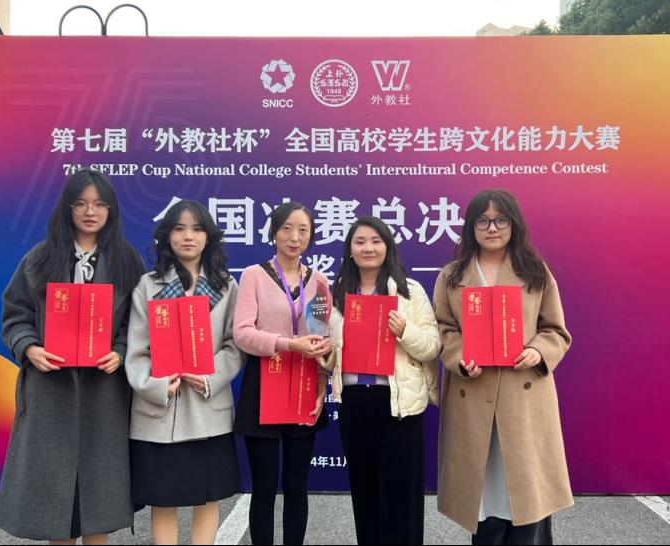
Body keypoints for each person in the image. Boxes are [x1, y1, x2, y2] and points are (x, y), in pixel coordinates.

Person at [0, 169, 145, 544]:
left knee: (99, 499)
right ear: (67, 208)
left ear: (111, 210)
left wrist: (121, 352)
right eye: (80, 203)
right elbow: (15, 314)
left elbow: (138, 321)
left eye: (99, 204)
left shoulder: (126, 260)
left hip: (104, 394)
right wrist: (29, 347)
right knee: (55, 503)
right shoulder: (41, 257)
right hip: (51, 392)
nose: (90, 212)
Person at [433, 189, 573, 545]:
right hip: (473, 392)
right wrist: (460, 357)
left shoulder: (535, 273)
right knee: (483, 495)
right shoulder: (452, 276)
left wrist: (538, 352)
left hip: (522, 397)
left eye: (500, 220)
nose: (492, 228)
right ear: (471, 227)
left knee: (525, 495)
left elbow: (555, 331)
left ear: (514, 224)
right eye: (483, 221)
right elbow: (444, 330)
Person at [124, 200, 244, 545]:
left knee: (208, 497)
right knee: (163, 500)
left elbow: (234, 346)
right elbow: (136, 349)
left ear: (208, 237)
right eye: (179, 228)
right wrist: (156, 385)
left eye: (197, 229)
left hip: (208, 409)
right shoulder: (147, 285)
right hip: (160, 410)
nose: (188, 236)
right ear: (167, 236)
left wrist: (210, 377)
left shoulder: (226, 286)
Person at [319, 216, 440, 545]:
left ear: (388, 247)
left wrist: (405, 331)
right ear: (350, 249)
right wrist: (324, 352)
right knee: (365, 492)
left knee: (402, 497)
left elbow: (433, 346)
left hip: (398, 405)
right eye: (360, 242)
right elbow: (328, 353)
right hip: (355, 402)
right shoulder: (336, 293)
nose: (368, 248)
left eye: (376, 241)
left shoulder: (409, 291)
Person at [233, 201, 331, 545]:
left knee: (296, 484)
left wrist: (322, 385)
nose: (294, 237)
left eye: (303, 230)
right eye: (287, 228)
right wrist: (288, 344)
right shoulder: (253, 275)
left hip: (304, 386)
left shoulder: (319, 281)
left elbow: (323, 339)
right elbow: (242, 333)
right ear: (274, 232)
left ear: (311, 236)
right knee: (263, 486)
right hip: (264, 384)